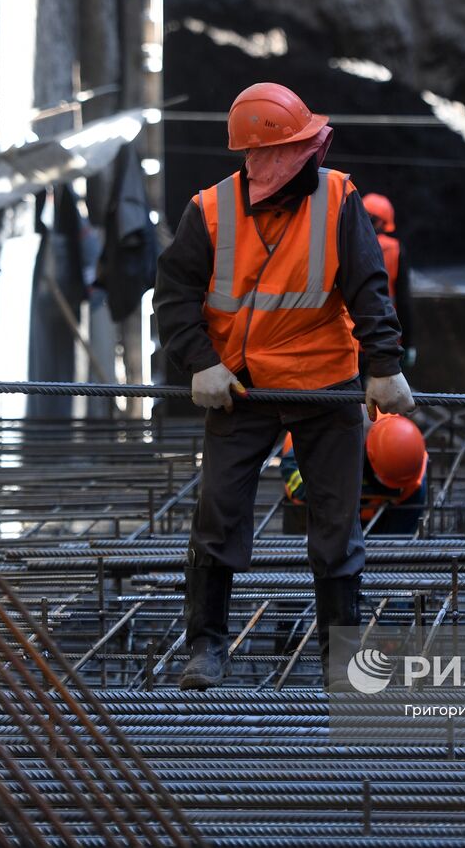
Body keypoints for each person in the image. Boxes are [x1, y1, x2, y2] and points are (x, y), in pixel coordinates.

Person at [153, 82, 414, 690]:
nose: (312, 151)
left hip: (325, 382)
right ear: (264, 155)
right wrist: (199, 363)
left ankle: (339, 657)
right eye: (296, 144)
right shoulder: (210, 211)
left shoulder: (337, 199)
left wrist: (384, 364)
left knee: (335, 523)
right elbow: (174, 296)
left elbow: (368, 286)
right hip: (243, 386)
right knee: (218, 510)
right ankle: (207, 649)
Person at [281, 413, 429, 536]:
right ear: (369, 457)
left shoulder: (411, 469)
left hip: (374, 512)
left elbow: (400, 536)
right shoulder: (340, 434)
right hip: (312, 505)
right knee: (305, 558)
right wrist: (322, 494)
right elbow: (290, 464)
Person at [361, 193, 414, 368]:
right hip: (385, 339)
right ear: (384, 222)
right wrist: (409, 343)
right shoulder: (394, 250)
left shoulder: (347, 243)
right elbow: (404, 301)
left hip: (352, 341)